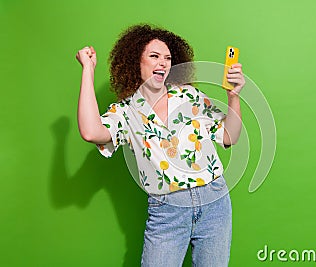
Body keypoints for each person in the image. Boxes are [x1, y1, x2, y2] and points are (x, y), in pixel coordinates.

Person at [75, 24, 245, 266]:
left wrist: (234, 96)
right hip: (167, 211)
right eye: (154, 56)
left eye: (167, 58)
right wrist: (88, 71)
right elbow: (91, 132)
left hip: (214, 202)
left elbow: (229, 136)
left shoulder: (189, 96)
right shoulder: (126, 112)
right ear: (136, 62)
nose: (163, 63)